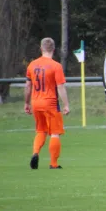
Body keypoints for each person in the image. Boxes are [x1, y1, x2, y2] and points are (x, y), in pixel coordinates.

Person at [24, 38, 70, 169]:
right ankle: (54, 164)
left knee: (40, 130)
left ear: (41, 48)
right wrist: (66, 104)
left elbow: (27, 86)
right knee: (55, 133)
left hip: (36, 102)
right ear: (54, 50)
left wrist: (26, 103)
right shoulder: (56, 66)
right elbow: (60, 87)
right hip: (50, 103)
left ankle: (35, 153)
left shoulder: (32, 65)